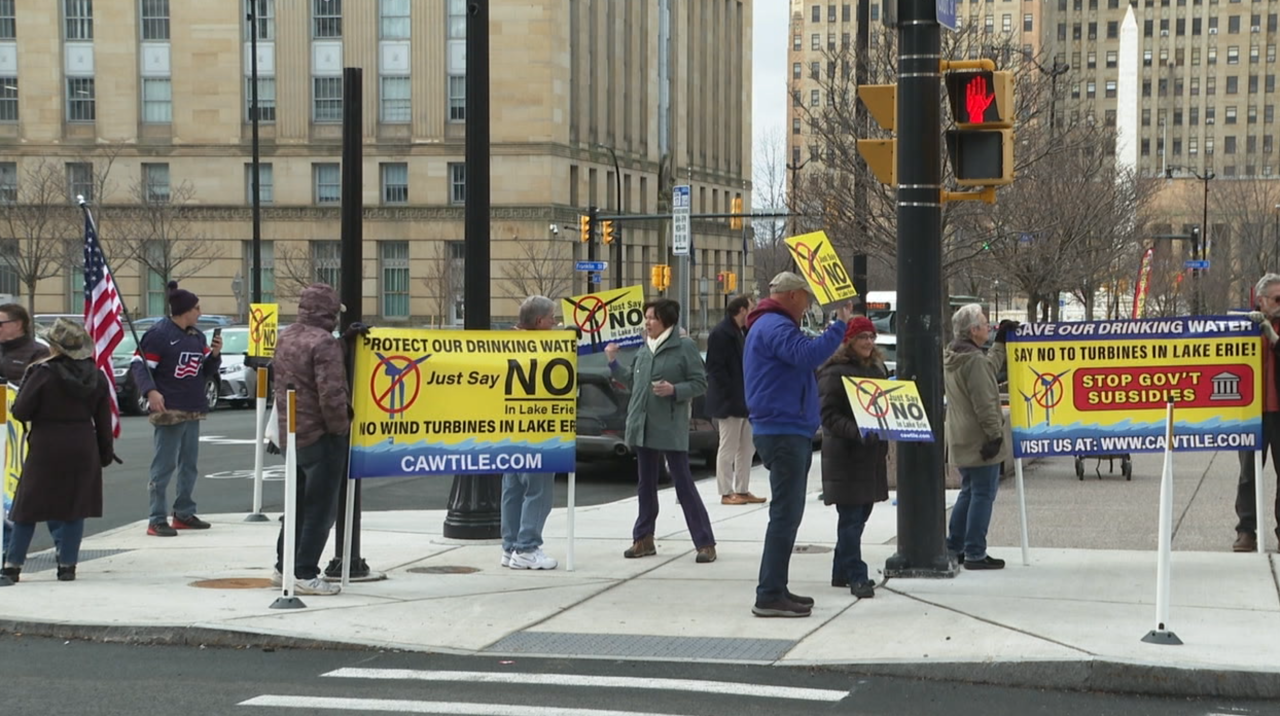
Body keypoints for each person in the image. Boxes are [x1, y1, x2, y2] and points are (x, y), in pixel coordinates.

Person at [744, 271, 853, 618]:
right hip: (783, 430)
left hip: (781, 427)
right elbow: (809, 355)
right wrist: (839, 326)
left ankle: (776, 586)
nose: (807, 304)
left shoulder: (767, 325)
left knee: (786, 514)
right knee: (785, 515)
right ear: (792, 296)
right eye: (805, 297)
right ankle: (770, 594)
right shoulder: (775, 327)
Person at [1, 319, 114, 583]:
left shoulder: (43, 373)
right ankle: (67, 567)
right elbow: (104, 420)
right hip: (83, 442)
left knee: (27, 507)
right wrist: (104, 453)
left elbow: (21, 411)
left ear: (55, 346)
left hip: (47, 442)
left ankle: (12, 566)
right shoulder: (96, 375)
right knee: (74, 507)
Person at [605, 299, 716, 564]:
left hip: (669, 425)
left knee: (683, 484)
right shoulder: (645, 349)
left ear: (665, 320)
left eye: (651, 318)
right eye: (646, 318)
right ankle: (643, 538)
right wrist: (612, 363)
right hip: (642, 426)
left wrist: (675, 390)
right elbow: (632, 380)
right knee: (645, 484)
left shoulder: (684, 347)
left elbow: (700, 383)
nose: (647, 323)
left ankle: (705, 542)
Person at [270, 284, 351, 596]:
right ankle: (305, 572)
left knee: (296, 505)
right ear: (328, 311)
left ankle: (283, 566)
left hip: (292, 433)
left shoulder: (287, 335)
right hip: (321, 435)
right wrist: (340, 428)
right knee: (320, 509)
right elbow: (330, 394)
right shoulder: (324, 343)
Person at [132, 281, 221, 537]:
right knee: (164, 465)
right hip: (169, 407)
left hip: (193, 406)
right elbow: (140, 365)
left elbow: (204, 371)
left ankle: (183, 511)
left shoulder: (196, 336)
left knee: (189, 463)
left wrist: (214, 356)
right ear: (183, 310)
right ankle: (156, 517)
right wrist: (150, 390)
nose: (200, 313)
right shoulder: (159, 335)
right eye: (196, 308)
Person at [817, 316, 890, 599]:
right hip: (845, 456)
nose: (869, 343)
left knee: (860, 516)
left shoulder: (876, 368)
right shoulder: (834, 371)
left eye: (871, 337)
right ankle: (857, 575)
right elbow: (828, 416)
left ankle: (841, 571)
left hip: (870, 455)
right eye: (862, 338)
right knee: (851, 517)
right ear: (849, 341)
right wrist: (858, 432)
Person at [944, 305, 1014, 571]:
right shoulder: (972, 360)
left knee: (969, 491)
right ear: (973, 330)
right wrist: (995, 436)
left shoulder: (956, 355)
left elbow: (986, 370)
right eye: (985, 324)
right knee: (983, 494)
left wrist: (999, 344)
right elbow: (985, 401)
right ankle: (975, 551)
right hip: (980, 439)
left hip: (961, 437)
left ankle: (956, 546)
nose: (988, 326)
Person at [501, 296, 561, 570]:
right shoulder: (542, 349)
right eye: (552, 318)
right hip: (536, 429)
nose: (555, 323)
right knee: (538, 491)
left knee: (512, 488)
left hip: (509, 429)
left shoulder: (502, 346)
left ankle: (510, 546)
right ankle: (527, 548)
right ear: (539, 322)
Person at [0, 303, 51, 562]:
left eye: (1, 323)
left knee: (39, 494)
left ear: (18, 324)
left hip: (25, 437)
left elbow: (39, 391)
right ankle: (4, 549)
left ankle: (63, 548)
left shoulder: (37, 352)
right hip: (1, 437)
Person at [1236, 274, 1280, 552]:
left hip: (1278, 411)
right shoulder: (1244, 326)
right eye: (1276, 299)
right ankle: (1246, 531)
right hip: (1251, 412)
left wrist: (1271, 333)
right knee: (1248, 474)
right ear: (1261, 300)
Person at [706, 295, 763, 506]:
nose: (753, 311)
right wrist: (730, 392)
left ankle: (742, 489)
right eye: (751, 308)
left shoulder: (743, 332)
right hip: (728, 401)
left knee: (747, 447)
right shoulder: (721, 333)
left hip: (746, 400)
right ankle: (726, 491)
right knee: (728, 446)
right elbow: (715, 368)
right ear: (741, 310)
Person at [0, 303, 49, 384]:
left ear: (17, 325)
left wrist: (4, 385)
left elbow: (36, 385)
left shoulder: (39, 352)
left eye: (0, 324)